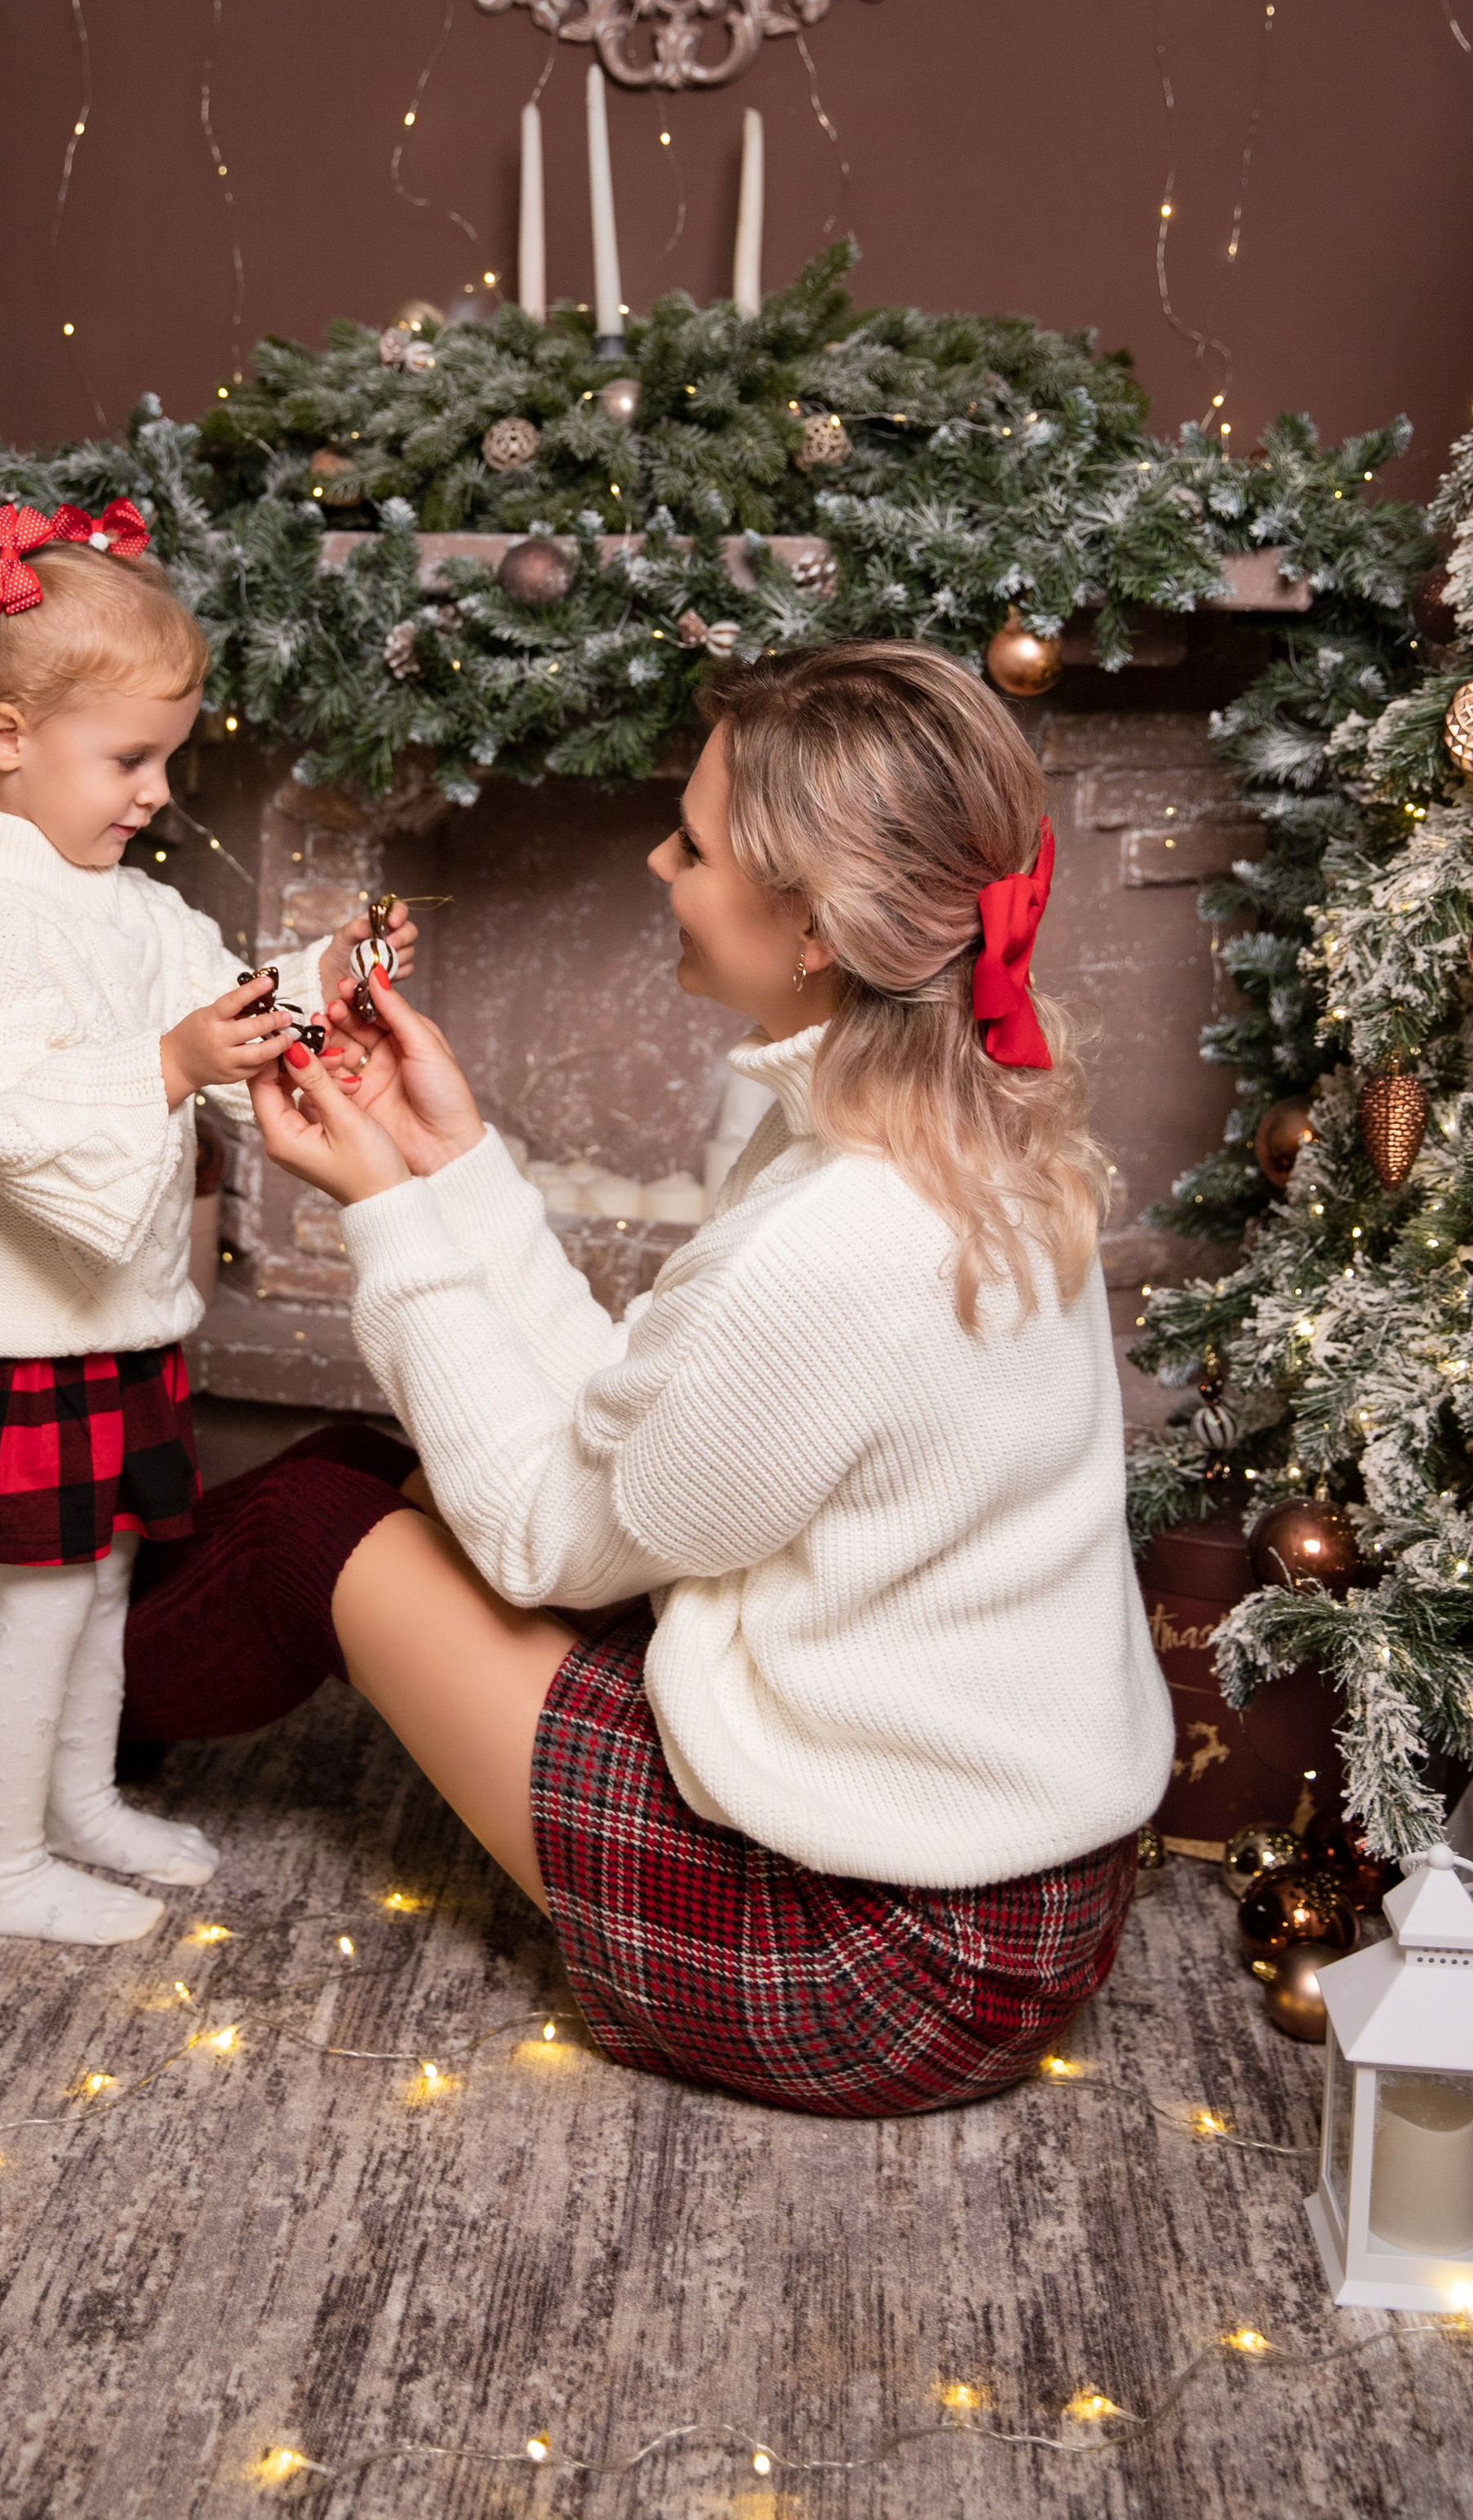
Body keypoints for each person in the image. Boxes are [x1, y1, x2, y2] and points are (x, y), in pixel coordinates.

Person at [116, 643, 1175, 2113]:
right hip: (1015, 1887)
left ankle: (28, 1700)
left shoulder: (842, 1237)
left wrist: (383, 1212)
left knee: (317, 1526)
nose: (660, 863)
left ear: (813, 926)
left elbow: (540, 1539)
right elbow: (648, 1431)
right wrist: (452, 1162)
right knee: (370, 1474)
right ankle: (59, 1683)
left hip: (891, 1960)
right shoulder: (950, 1134)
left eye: (695, 844)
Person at [0, 497, 414, 1945]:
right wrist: (167, 1066)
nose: (158, 793)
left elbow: (219, 1006)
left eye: (167, 758)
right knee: (39, 1608)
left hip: (108, 1322)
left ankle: (80, 1803)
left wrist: (329, 980)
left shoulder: (120, 900)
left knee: (102, 1585)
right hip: (18, 1337)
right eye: (130, 760)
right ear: (6, 739)